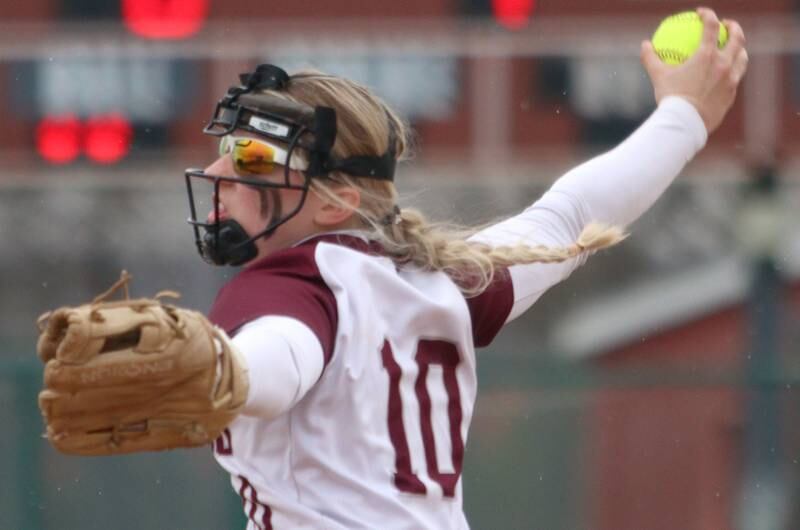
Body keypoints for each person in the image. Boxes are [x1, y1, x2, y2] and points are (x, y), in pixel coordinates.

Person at [183, 8, 748, 529]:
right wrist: (685, 116)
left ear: (336, 202)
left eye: (251, 159)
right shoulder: (435, 278)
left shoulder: (292, 285)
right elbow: (569, 214)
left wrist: (204, 367)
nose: (216, 170)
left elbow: (280, 362)